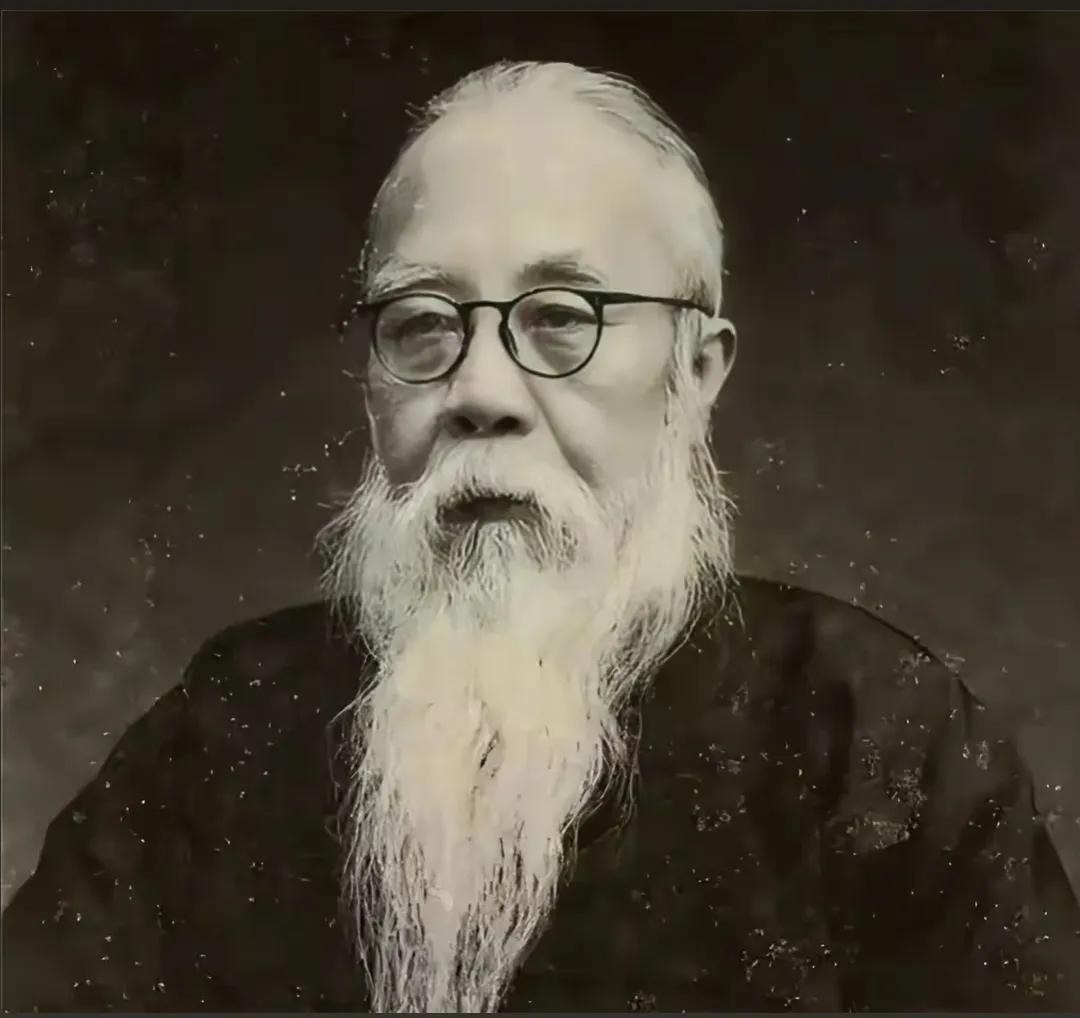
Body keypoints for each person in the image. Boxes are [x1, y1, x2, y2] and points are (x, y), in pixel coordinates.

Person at [3, 60, 1078, 1015]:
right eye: (421, 323)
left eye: (562, 316)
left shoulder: (871, 737)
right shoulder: (230, 732)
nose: (481, 393)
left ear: (697, 372)